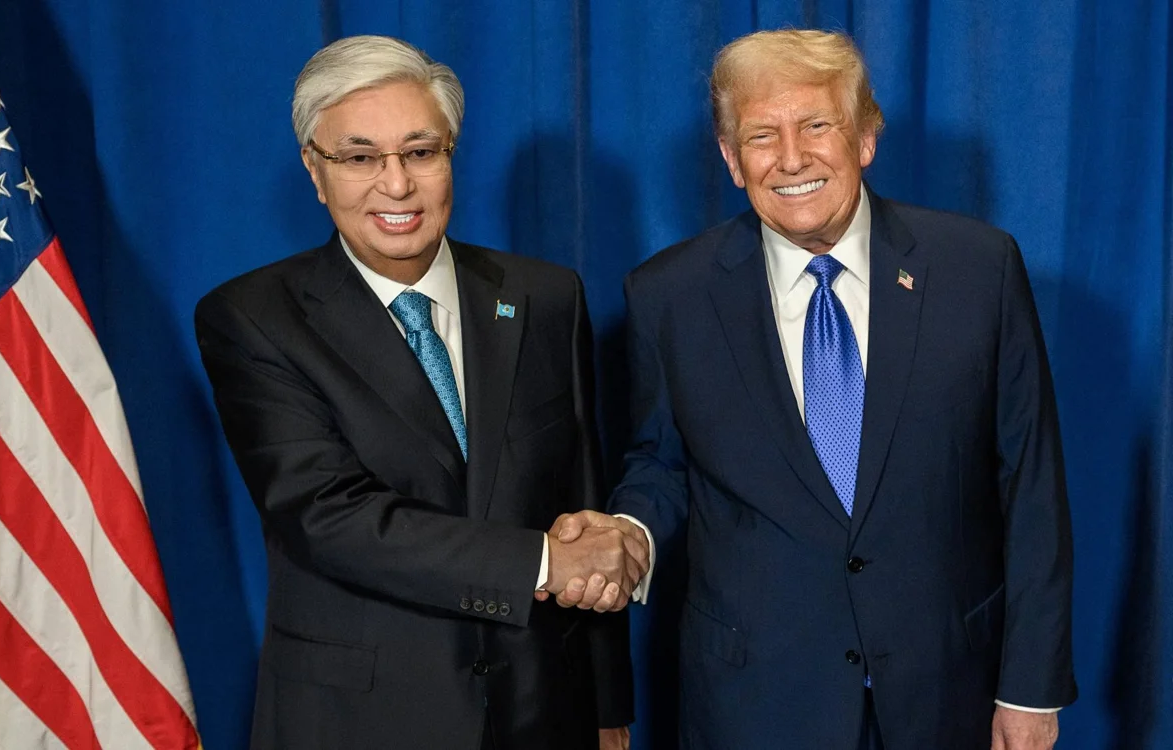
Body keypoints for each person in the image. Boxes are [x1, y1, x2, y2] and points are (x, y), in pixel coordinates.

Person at [549, 29, 1076, 750]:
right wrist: (629, 535)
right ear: (731, 159)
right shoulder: (669, 295)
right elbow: (661, 465)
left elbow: (1031, 488)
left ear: (866, 136)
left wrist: (1031, 688)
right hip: (757, 703)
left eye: (817, 125)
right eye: (761, 136)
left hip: (948, 691)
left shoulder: (977, 269)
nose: (791, 158)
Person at [195, 35, 644, 750]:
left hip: (543, 711)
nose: (397, 185)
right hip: (358, 720)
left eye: (420, 152)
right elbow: (329, 516)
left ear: (451, 154)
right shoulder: (254, 318)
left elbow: (580, 497)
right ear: (315, 170)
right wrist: (544, 562)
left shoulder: (544, 296)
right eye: (360, 158)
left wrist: (607, 704)